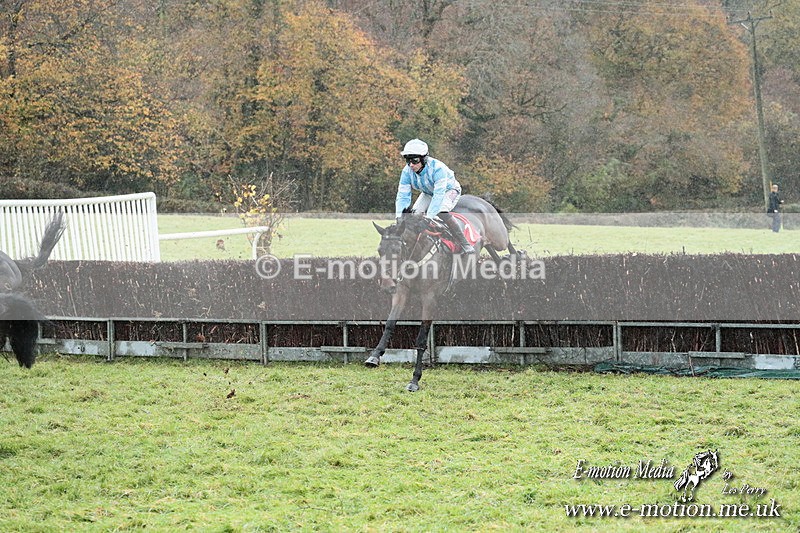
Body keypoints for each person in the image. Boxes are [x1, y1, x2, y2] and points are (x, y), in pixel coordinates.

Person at [395, 138, 475, 253]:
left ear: (424, 159)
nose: (411, 165)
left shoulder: (438, 169)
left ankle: (464, 243)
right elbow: (403, 196)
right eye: (408, 160)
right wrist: (399, 217)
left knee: (441, 211)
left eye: (415, 160)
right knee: (413, 216)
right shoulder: (406, 171)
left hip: (449, 190)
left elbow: (438, 196)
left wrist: (428, 219)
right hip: (428, 193)